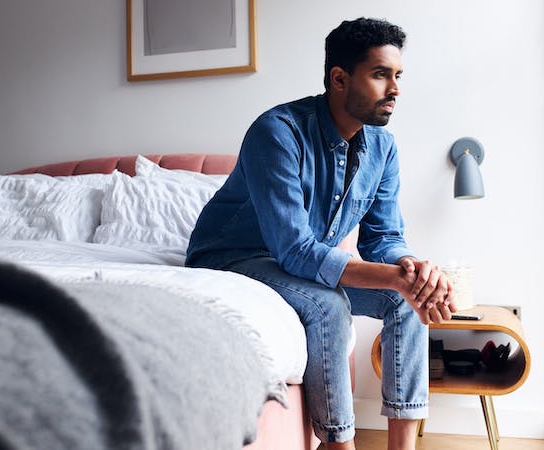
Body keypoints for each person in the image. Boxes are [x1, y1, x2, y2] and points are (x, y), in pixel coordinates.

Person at [186, 17, 457, 450]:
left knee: (405, 302)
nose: (396, 89)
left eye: (398, 75)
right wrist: (394, 278)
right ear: (339, 78)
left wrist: (412, 269)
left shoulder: (383, 149)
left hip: (295, 260)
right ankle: (338, 444)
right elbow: (293, 249)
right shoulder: (277, 132)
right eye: (380, 74)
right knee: (329, 304)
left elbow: (384, 237)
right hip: (232, 257)